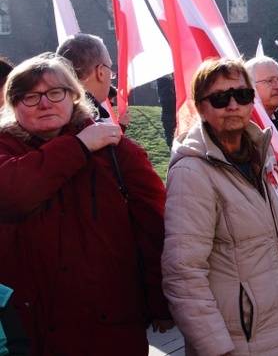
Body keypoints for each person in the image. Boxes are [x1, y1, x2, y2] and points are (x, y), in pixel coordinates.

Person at [0, 54, 172, 355]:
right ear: (13, 105)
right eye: (30, 97)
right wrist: (78, 146)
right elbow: (11, 194)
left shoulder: (117, 150)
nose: (45, 103)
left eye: (55, 93)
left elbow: (154, 225)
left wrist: (159, 300)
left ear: (74, 97)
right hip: (28, 330)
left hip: (109, 325)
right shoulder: (5, 148)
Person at [162, 58, 278, 355]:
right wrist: (217, 349)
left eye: (242, 95)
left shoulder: (259, 155)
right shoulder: (192, 174)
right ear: (201, 106)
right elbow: (183, 275)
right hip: (236, 343)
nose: (233, 105)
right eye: (220, 98)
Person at [56, 33, 130, 128]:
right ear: (100, 72)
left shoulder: (47, 116)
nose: (111, 77)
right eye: (110, 70)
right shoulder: (93, 131)